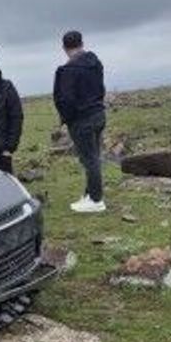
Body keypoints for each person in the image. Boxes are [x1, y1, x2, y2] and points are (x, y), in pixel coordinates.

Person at [54, 31, 107, 213]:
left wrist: (66, 119)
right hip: (99, 114)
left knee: (89, 159)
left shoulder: (68, 71)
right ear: (82, 43)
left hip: (82, 120)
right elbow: (101, 89)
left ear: (64, 48)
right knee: (94, 156)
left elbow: (65, 99)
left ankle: (95, 200)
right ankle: (89, 195)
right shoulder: (95, 63)